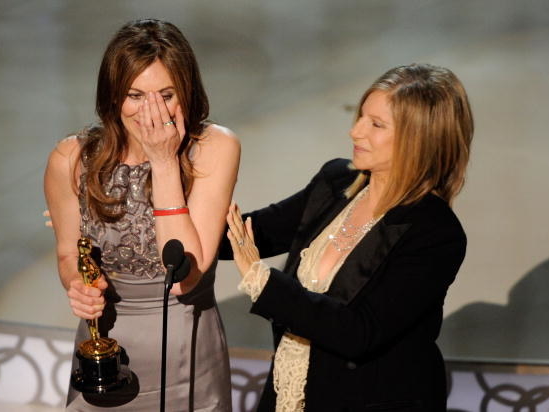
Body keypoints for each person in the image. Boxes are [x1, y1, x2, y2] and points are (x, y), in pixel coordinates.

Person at [222, 63, 473, 411]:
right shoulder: (336, 182)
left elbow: (359, 332)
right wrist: (175, 187)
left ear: (420, 139)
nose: (355, 132)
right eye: (360, 117)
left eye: (376, 124)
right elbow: (253, 232)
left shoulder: (435, 232)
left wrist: (261, 279)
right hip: (289, 395)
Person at [44, 19, 239, 411]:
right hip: (106, 350)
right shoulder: (72, 158)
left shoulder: (214, 148)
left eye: (166, 95)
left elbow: (186, 277)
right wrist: (78, 285)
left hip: (186, 352)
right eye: (135, 95)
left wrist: (164, 162)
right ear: (113, 96)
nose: (150, 111)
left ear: (186, 92)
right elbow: (69, 252)